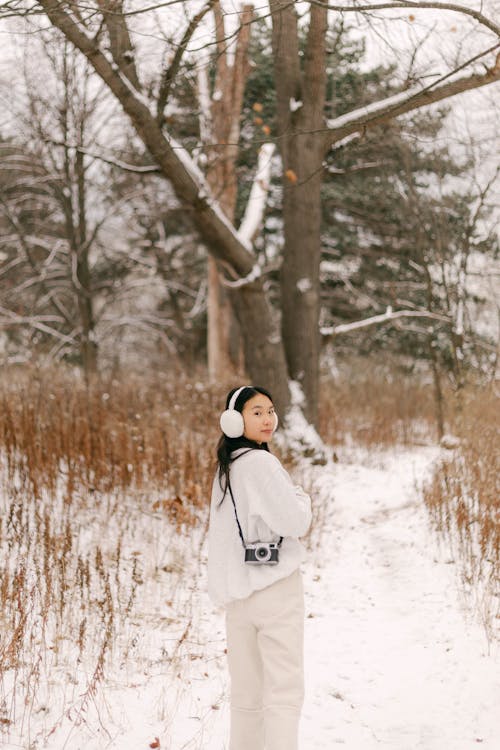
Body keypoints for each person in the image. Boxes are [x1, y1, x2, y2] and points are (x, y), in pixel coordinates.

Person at [208, 385, 312, 750]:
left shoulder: (226, 467)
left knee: (247, 696)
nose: (268, 419)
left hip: (239, 597)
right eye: (257, 412)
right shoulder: (262, 464)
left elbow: (220, 540)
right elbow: (296, 523)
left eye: (270, 410)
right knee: (284, 690)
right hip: (276, 591)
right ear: (234, 420)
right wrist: (301, 497)